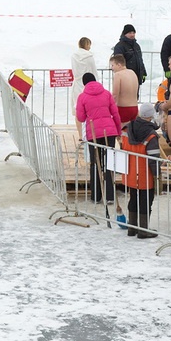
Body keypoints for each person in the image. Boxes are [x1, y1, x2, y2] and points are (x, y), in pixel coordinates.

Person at [75, 73, 122, 203]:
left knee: (96, 162)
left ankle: (96, 196)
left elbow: (80, 118)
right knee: (109, 162)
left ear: (84, 84)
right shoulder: (106, 94)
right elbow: (115, 114)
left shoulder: (82, 97)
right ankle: (110, 196)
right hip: (110, 131)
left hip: (94, 133)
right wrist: (118, 131)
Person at [121, 102, 162, 239]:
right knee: (146, 201)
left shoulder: (127, 129)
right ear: (151, 116)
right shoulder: (151, 135)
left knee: (133, 198)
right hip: (145, 175)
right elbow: (153, 159)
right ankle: (143, 230)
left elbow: (123, 147)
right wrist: (158, 177)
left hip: (131, 172)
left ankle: (132, 227)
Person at [71, 38, 97, 141]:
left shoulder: (74, 56)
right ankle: (90, 133)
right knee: (90, 110)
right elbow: (93, 71)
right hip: (88, 85)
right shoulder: (89, 57)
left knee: (78, 110)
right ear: (87, 45)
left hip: (77, 84)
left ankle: (80, 135)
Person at [110, 54, 140, 126]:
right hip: (135, 108)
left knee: (122, 134)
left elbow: (115, 95)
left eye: (113, 65)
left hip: (124, 109)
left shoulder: (118, 75)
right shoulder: (132, 73)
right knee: (131, 134)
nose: (112, 68)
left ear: (119, 65)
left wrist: (109, 108)